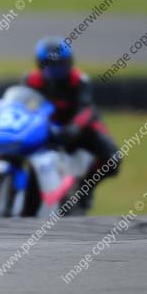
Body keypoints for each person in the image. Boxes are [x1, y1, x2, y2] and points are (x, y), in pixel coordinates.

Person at [24, 36, 120, 208]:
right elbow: (16, 104)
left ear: (69, 63)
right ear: (40, 65)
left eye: (59, 65)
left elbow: (86, 109)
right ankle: (22, 200)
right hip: (46, 130)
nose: (55, 71)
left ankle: (85, 188)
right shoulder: (32, 81)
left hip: (78, 130)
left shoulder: (79, 80)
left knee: (113, 159)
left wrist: (74, 127)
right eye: (49, 65)